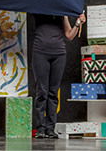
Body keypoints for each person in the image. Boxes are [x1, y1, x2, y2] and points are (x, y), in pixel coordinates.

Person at [30, 10, 86, 138]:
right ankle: (40, 127)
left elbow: (69, 35)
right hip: (40, 52)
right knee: (42, 91)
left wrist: (78, 22)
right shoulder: (38, 8)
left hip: (59, 54)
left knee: (53, 92)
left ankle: (50, 127)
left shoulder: (62, 13)